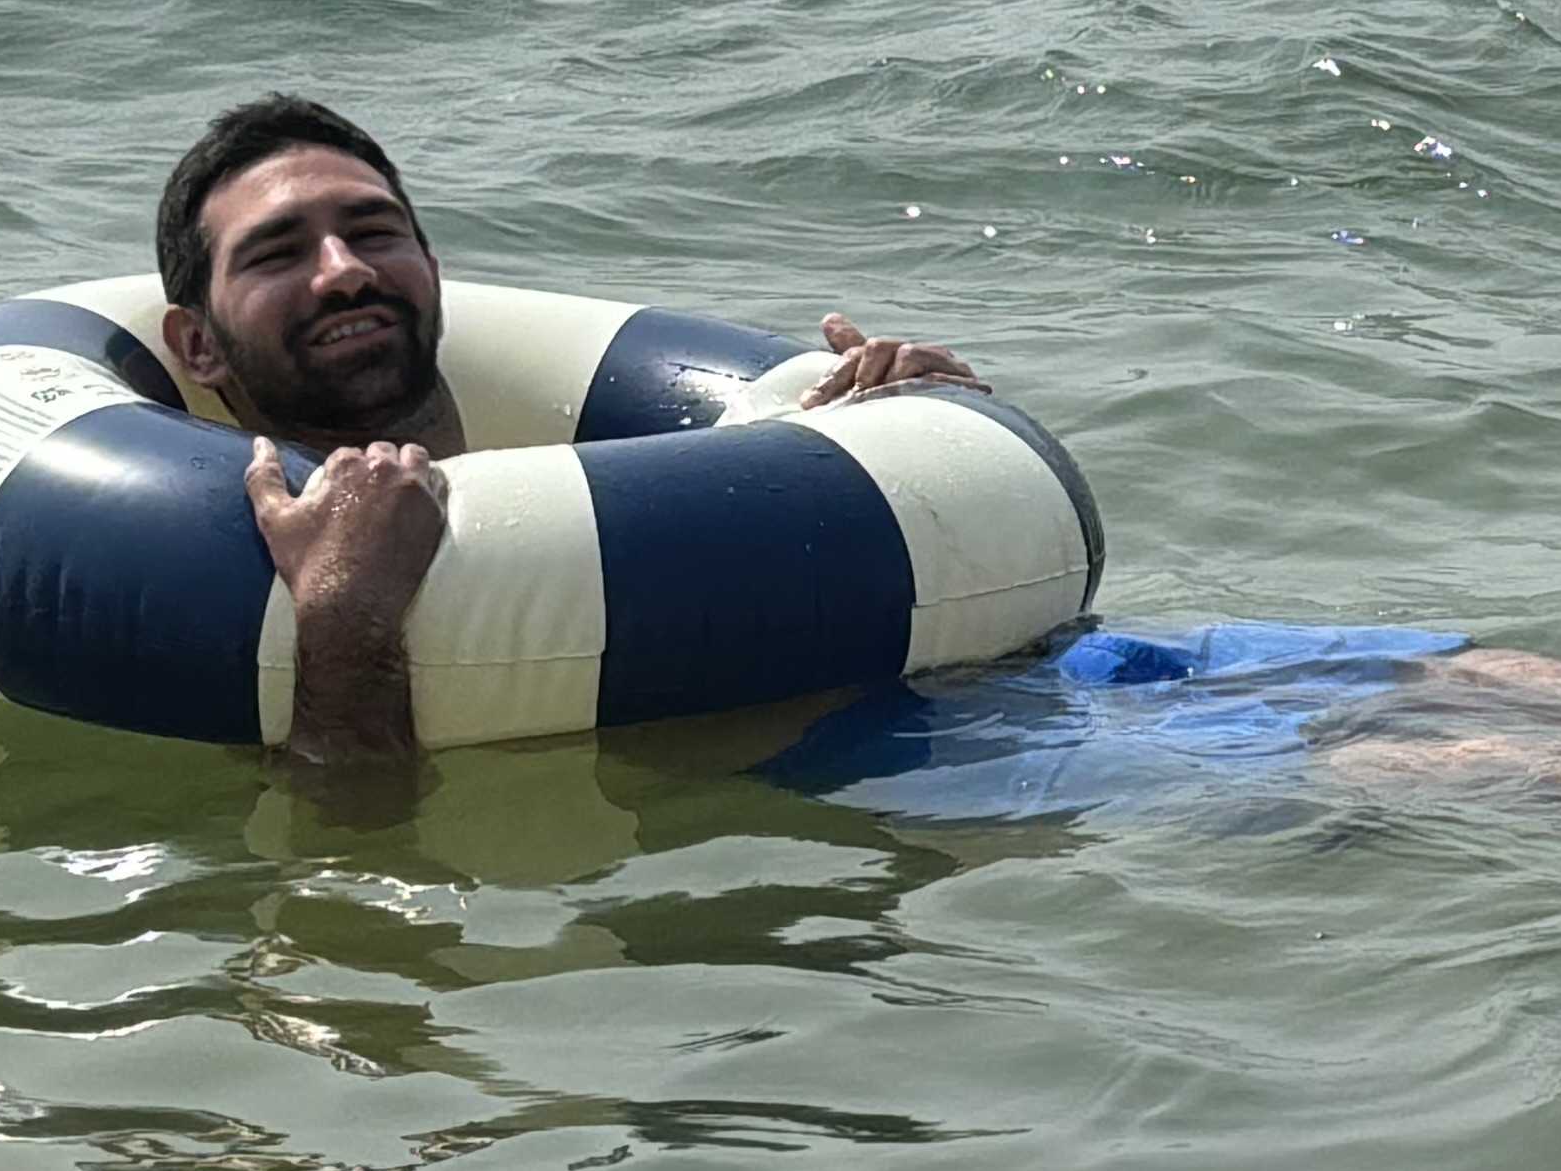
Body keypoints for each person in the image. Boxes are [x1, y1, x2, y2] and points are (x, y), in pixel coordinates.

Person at [153, 92, 974, 808]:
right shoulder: (201, 587)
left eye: (373, 231)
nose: (345, 272)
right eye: (278, 253)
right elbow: (353, 850)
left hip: (952, 723)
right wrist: (345, 618)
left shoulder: (615, 471)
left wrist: (901, 434)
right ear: (197, 346)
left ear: (431, 271)